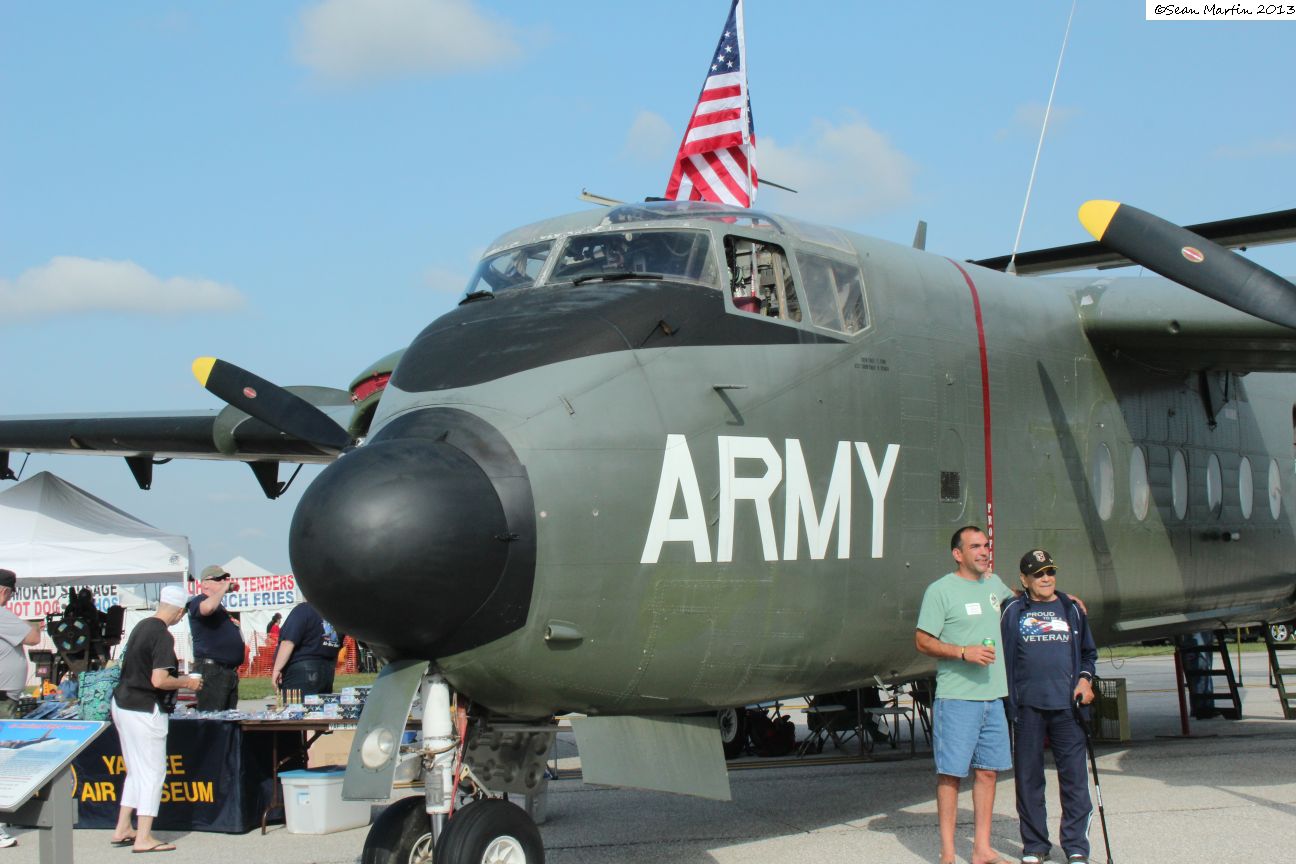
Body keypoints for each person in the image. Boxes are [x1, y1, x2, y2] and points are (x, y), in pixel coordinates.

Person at [915, 526, 1013, 864]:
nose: (984, 551)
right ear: (958, 554)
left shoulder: (994, 584)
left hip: (993, 697)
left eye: (986, 545)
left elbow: (1021, 598)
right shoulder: (940, 590)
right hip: (957, 698)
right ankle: (948, 853)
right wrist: (962, 652)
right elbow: (922, 641)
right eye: (975, 547)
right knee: (951, 775)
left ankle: (981, 849)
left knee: (988, 772)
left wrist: (1063, 599)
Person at [1001, 549, 1098, 864]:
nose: (1046, 579)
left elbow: (1088, 654)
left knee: (1074, 780)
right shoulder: (1012, 609)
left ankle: (1076, 846)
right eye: (1038, 574)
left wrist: (1085, 681)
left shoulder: (1071, 608)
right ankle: (1035, 845)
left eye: (1050, 572)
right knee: (1028, 779)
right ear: (1024, 579)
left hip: (1068, 707)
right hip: (1027, 707)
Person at [110, 584, 202, 852]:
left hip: (123, 702)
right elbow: (159, 680)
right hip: (144, 707)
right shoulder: (162, 635)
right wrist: (188, 682)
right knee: (153, 772)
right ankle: (144, 837)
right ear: (179, 611)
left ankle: (123, 827)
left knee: (135, 770)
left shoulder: (141, 626)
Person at [0, 568, 41, 848]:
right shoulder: (2, 614)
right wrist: (33, 624)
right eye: (10, 593)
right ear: (4, 591)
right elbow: (33, 637)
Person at [186, 565, 245, 712]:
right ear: (205, 583)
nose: (224, 581)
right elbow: (206, 609)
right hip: (212, 669)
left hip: (226, 671)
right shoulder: (199, 600)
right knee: (212, 718)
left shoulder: (219, 606)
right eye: (219, 579)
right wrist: (223, 589)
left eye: (225, 579)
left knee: (228, 718)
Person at [271, 602, 342, 697]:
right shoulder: (337, 614)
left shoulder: (304, 609)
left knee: (296, 706)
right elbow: (337, 645)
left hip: (301, 672)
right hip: (327, 672)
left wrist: (277, 669)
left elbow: (288, 642)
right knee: (320, 705)